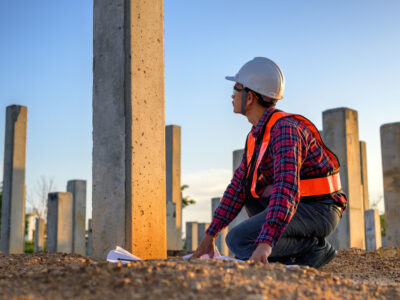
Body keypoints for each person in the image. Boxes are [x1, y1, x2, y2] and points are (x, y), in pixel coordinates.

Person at [191, 57, 347, 269]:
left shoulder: (285, 130)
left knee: (238, 240)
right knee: (247, 190)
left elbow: (287, 188)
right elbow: (237, 188)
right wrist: (209, 237)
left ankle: (314, 250)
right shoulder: (257, 134)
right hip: (299, 206)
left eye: (237, 88)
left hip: (319, 210)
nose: (232, 94)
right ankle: (286, 247)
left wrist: (265, 244)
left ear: (250, 98)